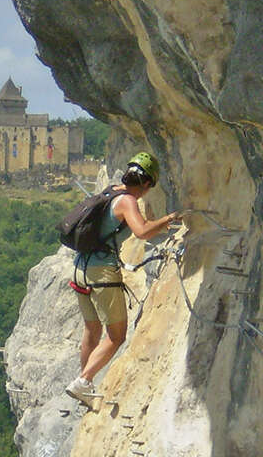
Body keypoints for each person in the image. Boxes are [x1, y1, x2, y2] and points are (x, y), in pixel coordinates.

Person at [65, 151, 180, 405]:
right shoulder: (128, 201)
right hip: (101, 272)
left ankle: (85, 385)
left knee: (91, 329)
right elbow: (141, 232)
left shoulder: (110, 191)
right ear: (147, 183)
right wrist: (168, 219)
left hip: (80, 267)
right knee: (116, 336)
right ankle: (83, 381)